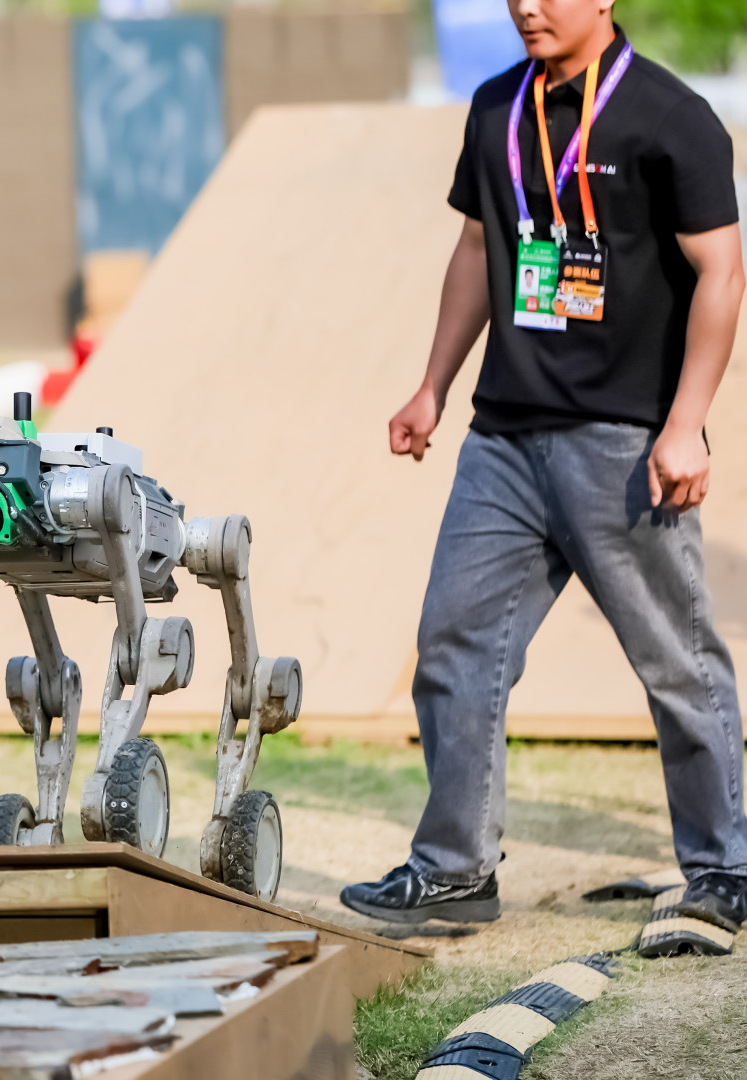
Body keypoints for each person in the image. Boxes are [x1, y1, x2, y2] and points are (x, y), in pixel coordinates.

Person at [341, 0, 747, 955]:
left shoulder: (669, 115)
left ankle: (723, 871)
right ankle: (454, 868)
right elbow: (481, 249)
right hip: (505, 437)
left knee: (677, 662)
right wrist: (432, 386)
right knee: (454, 645)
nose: (527, 5)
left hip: (625, 443)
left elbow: (723, 274)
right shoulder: (495, 111)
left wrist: (686, 424)